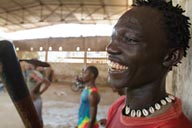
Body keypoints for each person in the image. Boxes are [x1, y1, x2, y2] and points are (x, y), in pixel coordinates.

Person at [105, 0, 192, 128]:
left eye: (130, 39)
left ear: (170, 57)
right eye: (113, 37)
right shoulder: (118, 107)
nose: (110, 48)